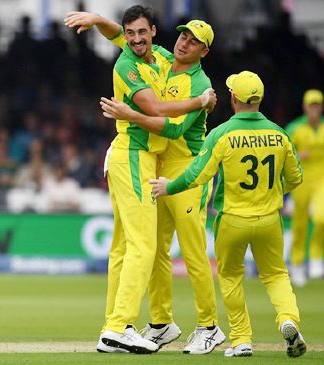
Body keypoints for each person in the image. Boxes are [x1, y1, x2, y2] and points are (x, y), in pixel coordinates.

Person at [65, 5, 216, 354]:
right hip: (134, 156)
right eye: (129, 34)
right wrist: (201, 100)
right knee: (145, 247)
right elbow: (158, 110)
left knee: (122, 248)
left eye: (141, 33)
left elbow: (115, 33)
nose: (134, 39)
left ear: (152, 33)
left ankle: (113, 325)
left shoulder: (160, 57)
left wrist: (98, 19)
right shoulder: (127, 66)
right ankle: (120, 327)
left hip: (141, 159)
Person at [150, 71, 307, 358]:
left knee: (231, 277)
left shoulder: (221, 134)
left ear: (233, 98)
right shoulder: (280, 134)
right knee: (275, 275)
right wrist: (272, 191)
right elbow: (296, 178)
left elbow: (198, 175)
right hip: (270, 219)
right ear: (259, 99)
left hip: (232, 219)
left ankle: (241, 340)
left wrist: (168, 186)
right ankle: (287, 319)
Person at [285, 89, 324, 286]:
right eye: (311, 105)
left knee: (322, 217)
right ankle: (296, 264)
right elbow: (283, 153)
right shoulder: (295, 128)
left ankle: (315, 258)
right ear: (304, 107)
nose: (314, 109)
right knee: (300, 223)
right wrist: (297, 156)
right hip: (300, 180)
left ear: (321, 107)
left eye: (317, 105)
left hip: (323, 179)